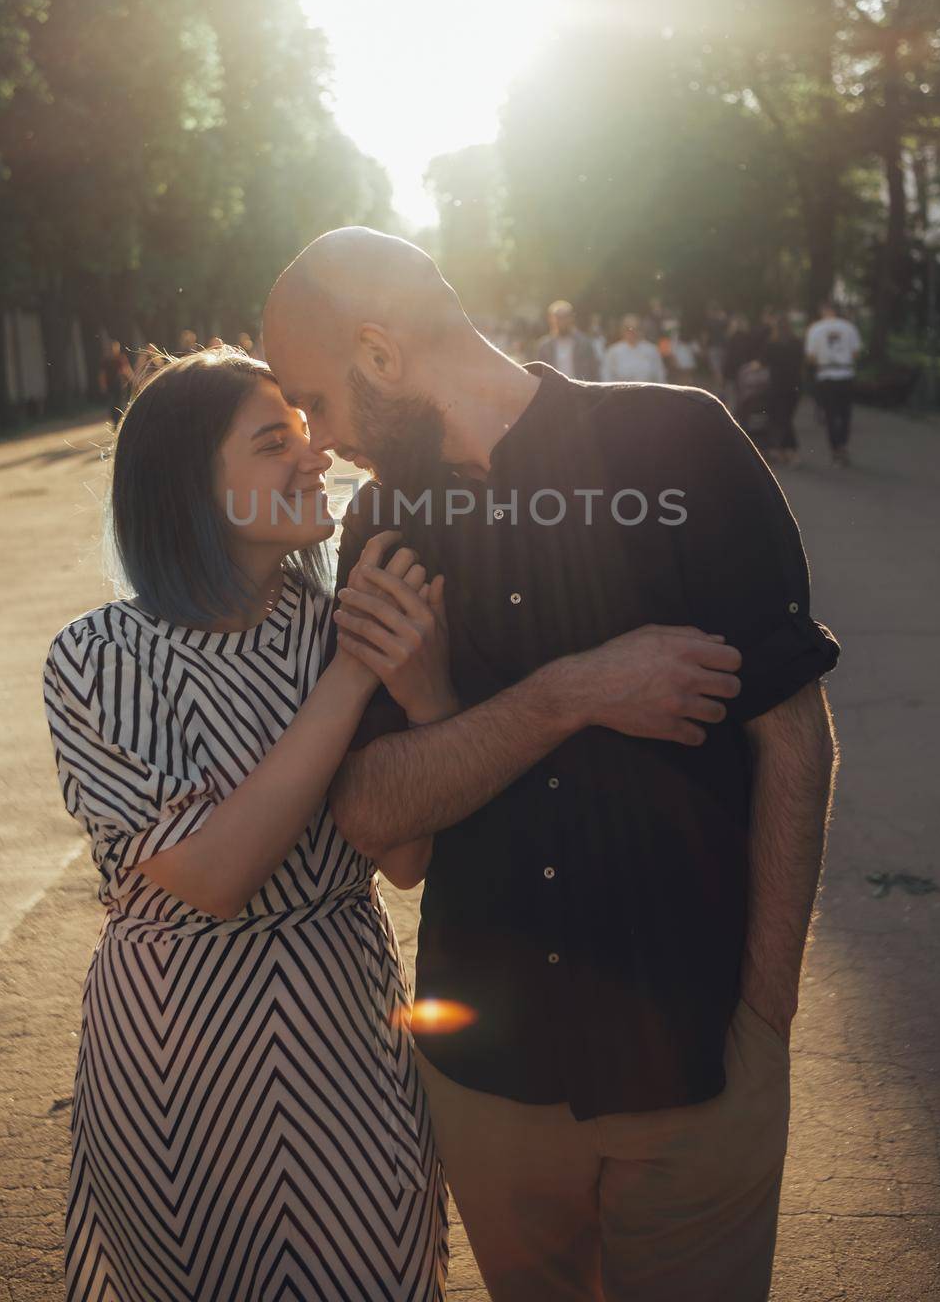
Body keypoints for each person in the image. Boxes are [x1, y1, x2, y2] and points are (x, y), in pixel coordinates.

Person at [262, 227, 842, 1302]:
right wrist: (569, 693)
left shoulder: (678, 445)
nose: (320, 440)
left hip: (696, 1059)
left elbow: (790, 735)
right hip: (486, 1083)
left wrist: (765, 1017)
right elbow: (378, 820)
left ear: (380, 356)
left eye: (316, 400)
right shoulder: (386, 523)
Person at [42, 345, 451, 1302]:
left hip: (345, 1019)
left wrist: (428, 697)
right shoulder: (101, 658)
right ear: (188, 488)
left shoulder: (334, 621)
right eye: (275, 442)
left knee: (377, 1271)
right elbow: (216, 876)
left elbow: (404, 858)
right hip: (180, 1039)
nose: (315, 458)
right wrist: (354, 681)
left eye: (306, 435)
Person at [805, 300, 862, 466]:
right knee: (845, 413)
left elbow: (810, 357)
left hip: (826, 374)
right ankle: (843, 445)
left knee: (830, 414)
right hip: (845, 374)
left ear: (823, 310)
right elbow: (856, 353)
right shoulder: (849, 328)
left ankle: (835, 448)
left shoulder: (815, 329)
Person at [765, 315, 805, 466]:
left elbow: (763, 362)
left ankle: (790, 452)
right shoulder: (797, 343)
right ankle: (783, 450)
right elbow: (802, 361)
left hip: (777, 385)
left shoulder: (772, 344)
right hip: (794, 385)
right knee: (787, 417)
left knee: (782, 418)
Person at [534, 300, 600, 379]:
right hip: (554, 390)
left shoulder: (585, 343)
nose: (562, 321)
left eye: (565, 316)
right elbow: (538, 375)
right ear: (551, 319)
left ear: (572, 317)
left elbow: (595, 372)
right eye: (558, 317)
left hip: (580, 389)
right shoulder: (544, 346)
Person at [601, 314, 667, 384]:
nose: (632, 331)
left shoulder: (652, 350)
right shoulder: (613, 352)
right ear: (622, 330)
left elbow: (660, 376)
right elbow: (606, 377)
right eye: (628, 328)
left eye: (636, 328)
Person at [97, 338, 133, 429]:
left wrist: (132, 379)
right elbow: (102, 374)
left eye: (116, 347)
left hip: (120, 385)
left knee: (120, 403)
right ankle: (115, 421)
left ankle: (120, 422)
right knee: (112, 405)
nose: (114, 349)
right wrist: (103, 386)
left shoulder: (121, 358)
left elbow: (126, 370)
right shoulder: (105, 360)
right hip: (110, 386)